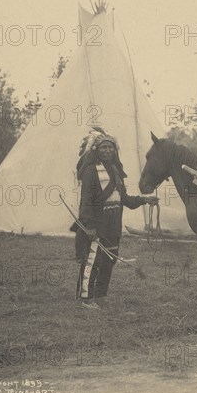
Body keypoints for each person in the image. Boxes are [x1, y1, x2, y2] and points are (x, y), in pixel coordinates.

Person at [73, 128, 158, 309]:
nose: (108, 151)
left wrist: (145, 199)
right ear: (96, 150)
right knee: (93, 260)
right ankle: (85, 298)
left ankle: (100, 295)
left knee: (109, 260)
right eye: (103, 147)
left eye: (111, 148)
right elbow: (87, 201)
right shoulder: (90, 171)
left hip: (113, 224)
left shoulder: (116, 171)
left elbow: (124, 199)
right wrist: (90, 226)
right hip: (97, 222)